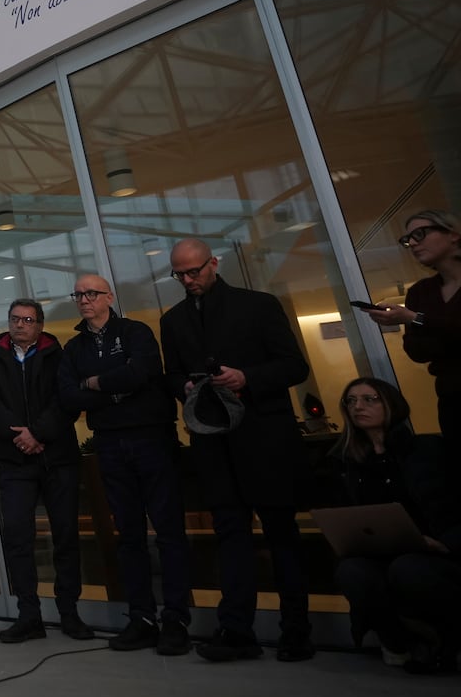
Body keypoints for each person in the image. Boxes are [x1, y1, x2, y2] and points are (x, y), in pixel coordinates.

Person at [159, 237, 312, 663]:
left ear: (214, 263)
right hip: (211, 440)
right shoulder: (172, 321)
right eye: (180, 274)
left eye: (194, 271)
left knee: (282, 533)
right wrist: (184, 386)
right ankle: (237, 628)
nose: (188, 280)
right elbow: (170, 375)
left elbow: (295, 366)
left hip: (265, 437)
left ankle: (296, 629)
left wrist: (247, 377)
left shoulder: (258, 305)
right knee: (229, 534)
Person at [57, 275, 191, 655]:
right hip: (110, 445)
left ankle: (177, 619)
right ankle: (141, 618)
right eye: (78, 294)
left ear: (108, 296)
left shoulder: (136, 332)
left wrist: (96, 385)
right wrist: (116, 389)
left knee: (168, 531)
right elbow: (69, 396)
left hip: (152, 438)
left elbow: (141, 373)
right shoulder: (74, 347)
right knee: (129, 536)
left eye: (91, 293)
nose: (84, 299)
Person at [0, 298, 93, 643]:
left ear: (39, 324)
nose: (20, 325)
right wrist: (20, 436)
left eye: (27, 319)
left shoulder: (60, 354)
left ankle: (69, 613)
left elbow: (66, 400)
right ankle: (29, 616)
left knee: (66, 536)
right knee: (17, 538)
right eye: (15, 319)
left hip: (57, 459)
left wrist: (38, 433)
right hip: (14, 462)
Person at [325, 377, 461, 674]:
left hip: (435, 550)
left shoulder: (427, 450)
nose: (358, 406)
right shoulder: (345, 463)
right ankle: (399, 642)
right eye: (351, 401)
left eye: (369, 399)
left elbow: (450, 507)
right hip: (378, 552)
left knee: (408, 568)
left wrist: (446, 542)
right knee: (351, 571)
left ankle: (445, 640)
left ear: (391, 405)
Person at [361, 210, 461, 473]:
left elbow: (429, 331)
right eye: (407, 240)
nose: (413, 243)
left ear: (452, 234)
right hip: (452, 397)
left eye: (420, 234)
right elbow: (417, 350)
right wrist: (425, 323)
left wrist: (416, 319)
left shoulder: (418, 304)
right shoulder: (421, 291)